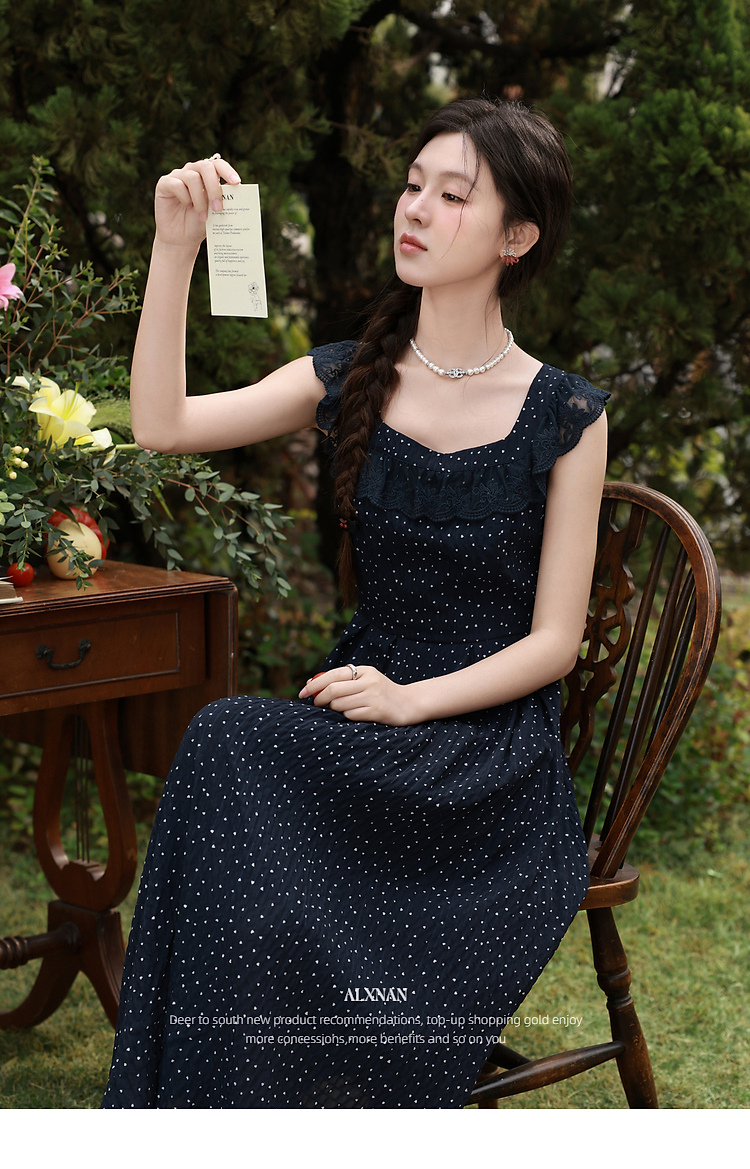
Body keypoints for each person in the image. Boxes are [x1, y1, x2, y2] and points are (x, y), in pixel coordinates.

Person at [102, 96, 608, 1109]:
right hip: (362, 716)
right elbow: (160, 425)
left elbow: (556, 642)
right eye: (413, 185)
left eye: (453, 196)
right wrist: (174, 249)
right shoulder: (348, 376)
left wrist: (413, 700)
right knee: (225, 742)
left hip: (484, 755)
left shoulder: (565, 412)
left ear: (516, 238)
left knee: (231, 748)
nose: (415, 209)